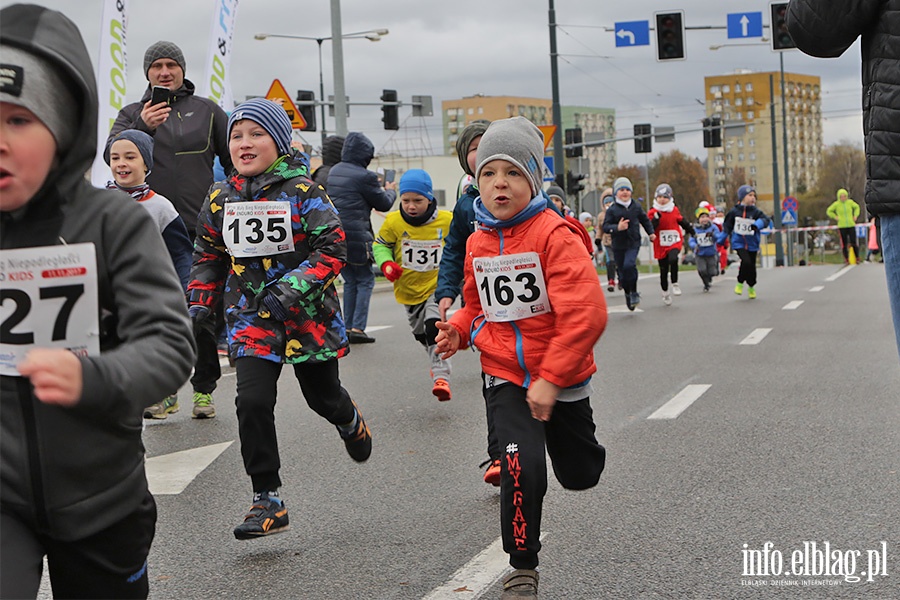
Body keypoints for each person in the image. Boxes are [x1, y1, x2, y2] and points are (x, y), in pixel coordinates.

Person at [0, 5, 196, 598]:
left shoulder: (112, 223)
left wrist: (94, 377)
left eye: (18, 120)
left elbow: (170, 345)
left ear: (63, 126)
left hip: (102, 496)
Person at [434, 117, 606, 599]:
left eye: (512, 172)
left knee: (579, 473)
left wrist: (552, 378)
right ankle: (523, 565)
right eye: (489, 174)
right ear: (476, 182)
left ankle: (567, 449)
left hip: (562, 377)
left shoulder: (555, 235)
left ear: (533, 179)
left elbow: (586, 312)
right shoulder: (477, 240)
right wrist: (459, 328)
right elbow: (474, 302)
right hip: (506, 375)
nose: (499, 184)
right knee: (519, 466)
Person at [187, 98, 372, 540]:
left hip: (307, 317)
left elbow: (333, 249)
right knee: (251, 402)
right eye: (236, 136)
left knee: (321, 398)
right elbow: (207, 256)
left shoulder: (305, 192)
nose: (244, 144)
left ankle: (348, 419)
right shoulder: (220, 197)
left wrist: (289, 290)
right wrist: (198, 303)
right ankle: (267, 499)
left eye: (256, 134)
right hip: (251, 317)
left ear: (279, 142)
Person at [108, 40, 232, 419]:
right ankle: (165, 392)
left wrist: (232, 206)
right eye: (157, 66)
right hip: (149, 229)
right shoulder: (131, 112)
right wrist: (141, 126)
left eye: (171, 65)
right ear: (147, 72)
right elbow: (113, 152)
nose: (164, 72)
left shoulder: (208, 111)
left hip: (201, 230)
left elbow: (234, 161)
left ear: (182, 69)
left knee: (202, 313)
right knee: (155, 315)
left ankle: (204, 389)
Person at [787, 0, 900, 358]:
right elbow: (814, 26)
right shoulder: (841, 205)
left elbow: (812, 27)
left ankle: (854, 256)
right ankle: (853, 257)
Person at [373, 169, 454, 401]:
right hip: (408, 289)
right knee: (422, 335)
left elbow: (459, 244)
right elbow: (380, 245)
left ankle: (441, 376)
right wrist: (386, 263)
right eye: (406, 200)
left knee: (433, 327)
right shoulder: (393, 222)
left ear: (429, 198)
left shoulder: (446, 221)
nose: (411, 206)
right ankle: (435, 356)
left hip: (436, 285)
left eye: (417, 200)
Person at [326, 131, 397, 343]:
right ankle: (358, 327)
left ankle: (347, 328)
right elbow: (383, 203)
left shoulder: (335, 170)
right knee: (365, 279)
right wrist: (389, 189)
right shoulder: (365, 176)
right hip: (358, 236)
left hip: (336, 235)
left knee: (349, 281)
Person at [601, 177, 656, 310]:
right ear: (616, 193)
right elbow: (605, 226)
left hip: (633, 242)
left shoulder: (635, 206)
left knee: (629, 265)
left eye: (627, 190)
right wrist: (617, 228)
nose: (625, 193)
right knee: (622, 272)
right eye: (621, 190)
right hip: (618, 245)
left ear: (631, 192)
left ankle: (634, 292)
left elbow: (645, 220)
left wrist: (651, 233)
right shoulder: (612, 210)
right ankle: (627, 293)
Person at [717, 185, 771, 299]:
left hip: (752, 243)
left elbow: (766, 220)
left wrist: (757, 225)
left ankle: (751, 286)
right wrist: (720, 240)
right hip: (738, 242)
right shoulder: (734, 212)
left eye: (754, 196)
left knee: (751, 267)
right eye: (750, 195)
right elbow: (727, 226)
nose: (753, 198)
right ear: (742, 197)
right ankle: (740, 282)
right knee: (745, 261)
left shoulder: (756, 212)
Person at [648, 183, 694, 306]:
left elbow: (682, 221)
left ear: (670, 198)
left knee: (673, 258)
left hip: (674, 240)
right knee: (663, 270)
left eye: (665, 197)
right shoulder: (653, 212)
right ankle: (665, 292)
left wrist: (692, 231)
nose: (662, 200)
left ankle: (675, 283)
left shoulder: (674, 210)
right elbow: (650, 228)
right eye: (660, 197)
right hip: (660, 244)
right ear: (656, 198)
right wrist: (656, 219)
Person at [548, 185, 594, 254]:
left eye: (557, 200)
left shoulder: (570, 221)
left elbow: (583, 233)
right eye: (550, 200)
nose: (554, 203)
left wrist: (589, 251)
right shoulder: (541, 222)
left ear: (562, 205)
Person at [688, 206, 720, 292]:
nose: (705, 219)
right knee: (702, 270)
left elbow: (719, 237)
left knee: (712, 271)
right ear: (698, 219)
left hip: (711, 253)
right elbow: (691, 240)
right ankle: (706, 284)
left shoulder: (713, 228)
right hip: (700, 253)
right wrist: (694, 245)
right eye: (702, 217)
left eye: (706, 217)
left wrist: (713, 235)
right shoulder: (695, 230)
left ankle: (709, 278)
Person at [826, 188, 862, 264]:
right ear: (839, 197)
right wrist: (835, 217)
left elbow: (857, 207)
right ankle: (846, 259)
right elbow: (829, 211)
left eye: (844, 196)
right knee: (844, 243)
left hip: (851, 224)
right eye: (841, 196)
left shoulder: (850, 202)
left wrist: (855, 215)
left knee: (853, 242)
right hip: (842, 226)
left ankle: (857, 257)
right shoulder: (836, 204)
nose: (843, 198)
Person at [597, 189, 618, 292]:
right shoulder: (601, 216)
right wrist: (598, 239)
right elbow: (600, 229)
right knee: (610, 261)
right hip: (607, 242)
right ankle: (611, 280)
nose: (609, 204)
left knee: (619, 261)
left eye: (611, 202)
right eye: (606, 202)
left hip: (618, 241)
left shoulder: (618, 212)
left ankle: (621, 278)